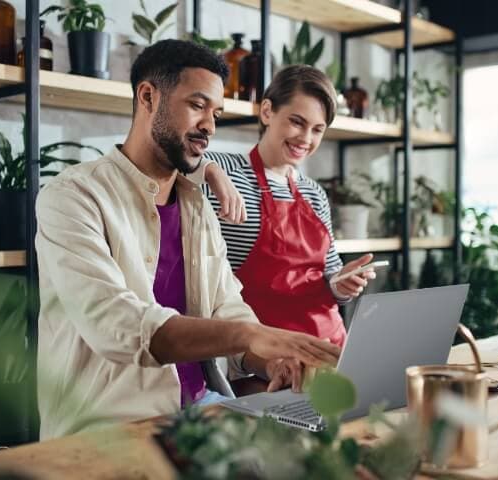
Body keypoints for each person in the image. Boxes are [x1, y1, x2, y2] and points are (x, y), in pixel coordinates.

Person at [35, 41, 340, 440]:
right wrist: (253, 335)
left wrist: (269, 362)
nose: (210, 126)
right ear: (148, 96)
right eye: (197, 106)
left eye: (216, 113)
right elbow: (117, 325)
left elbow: (226, 307)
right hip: (109, 431)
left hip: (203, 411)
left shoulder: (197, 206)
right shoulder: (73, 197)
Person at [199, 65, 377, 348]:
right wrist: (208, 169)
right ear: (267, 111)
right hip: (262, 351)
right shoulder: (225, 170)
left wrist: (342, 283)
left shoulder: (314, 193)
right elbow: (169, 162)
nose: (306, 139)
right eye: (297, 122)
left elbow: (329, 278)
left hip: (329, 344)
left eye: (317, 130)